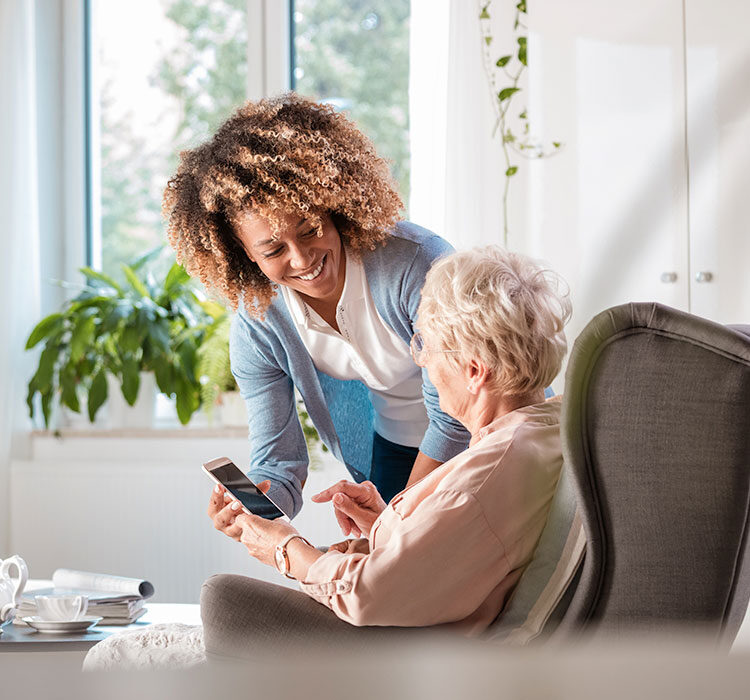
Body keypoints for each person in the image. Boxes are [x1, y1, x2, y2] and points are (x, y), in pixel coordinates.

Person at [201, 245, 572, 657]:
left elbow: (368, 592)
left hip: (416, 647)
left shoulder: (486, 474)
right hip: (429, 609)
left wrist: (284, 549)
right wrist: (389, 522)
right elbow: (461, 545)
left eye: (425, 348)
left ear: (473, 371)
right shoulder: (545, 432)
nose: (424, 365)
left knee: (224, 598)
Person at [163, 93, 469, 514]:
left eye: (309, 229)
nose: (302, 259)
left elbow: (458, 410)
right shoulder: (260, 323)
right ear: (243, 253)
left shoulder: (415, 263)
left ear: (332, 208)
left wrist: (398, 519)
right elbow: (280, 462)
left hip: (481, 436)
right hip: (396, 453)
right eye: (273, 250)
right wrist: (257, 506)